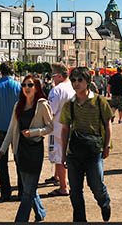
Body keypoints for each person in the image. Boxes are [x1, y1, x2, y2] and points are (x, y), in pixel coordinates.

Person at [0, 75, 54, 222]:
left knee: (27, 192)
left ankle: (20, 220)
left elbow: (50, 127)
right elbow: (11, 130)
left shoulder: (42, 105)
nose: (26, 88)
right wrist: (2, 150)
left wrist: (33, 133)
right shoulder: (18, 105)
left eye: (30, 85)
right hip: (20, 150)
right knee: (29, 187)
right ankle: (40, 213)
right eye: (24, 85)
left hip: (35, 149)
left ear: (36, 88)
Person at [60, 67, 113, 222]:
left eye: (80, 80)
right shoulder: (69, 104)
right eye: (73, 80)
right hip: (74, 152)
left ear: (88, 82)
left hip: (94, 150)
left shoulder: (99, 101)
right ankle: (80, 220)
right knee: (75, 190)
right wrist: (63, 153)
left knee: (96, 185)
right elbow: (64, 129)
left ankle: (104, 203)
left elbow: (107, 123)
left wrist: (107, 145)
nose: (76, 83)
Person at [0, 62, 22, 202]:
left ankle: (5, 192)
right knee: (19, 161)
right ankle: (21, 191)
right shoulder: (19, 86)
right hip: (16, 128)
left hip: (1, 127)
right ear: (13, 72)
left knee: (2, 161)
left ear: (0, 72)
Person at [45, 63, 74, 197]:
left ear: (60, 76)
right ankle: (62, 180)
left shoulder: (57, 90)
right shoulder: (74, 87)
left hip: (58, 128)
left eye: (54, 76)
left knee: (59, 157)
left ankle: (63, 186)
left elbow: (50, 111)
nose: (52, 79)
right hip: (72, 127)